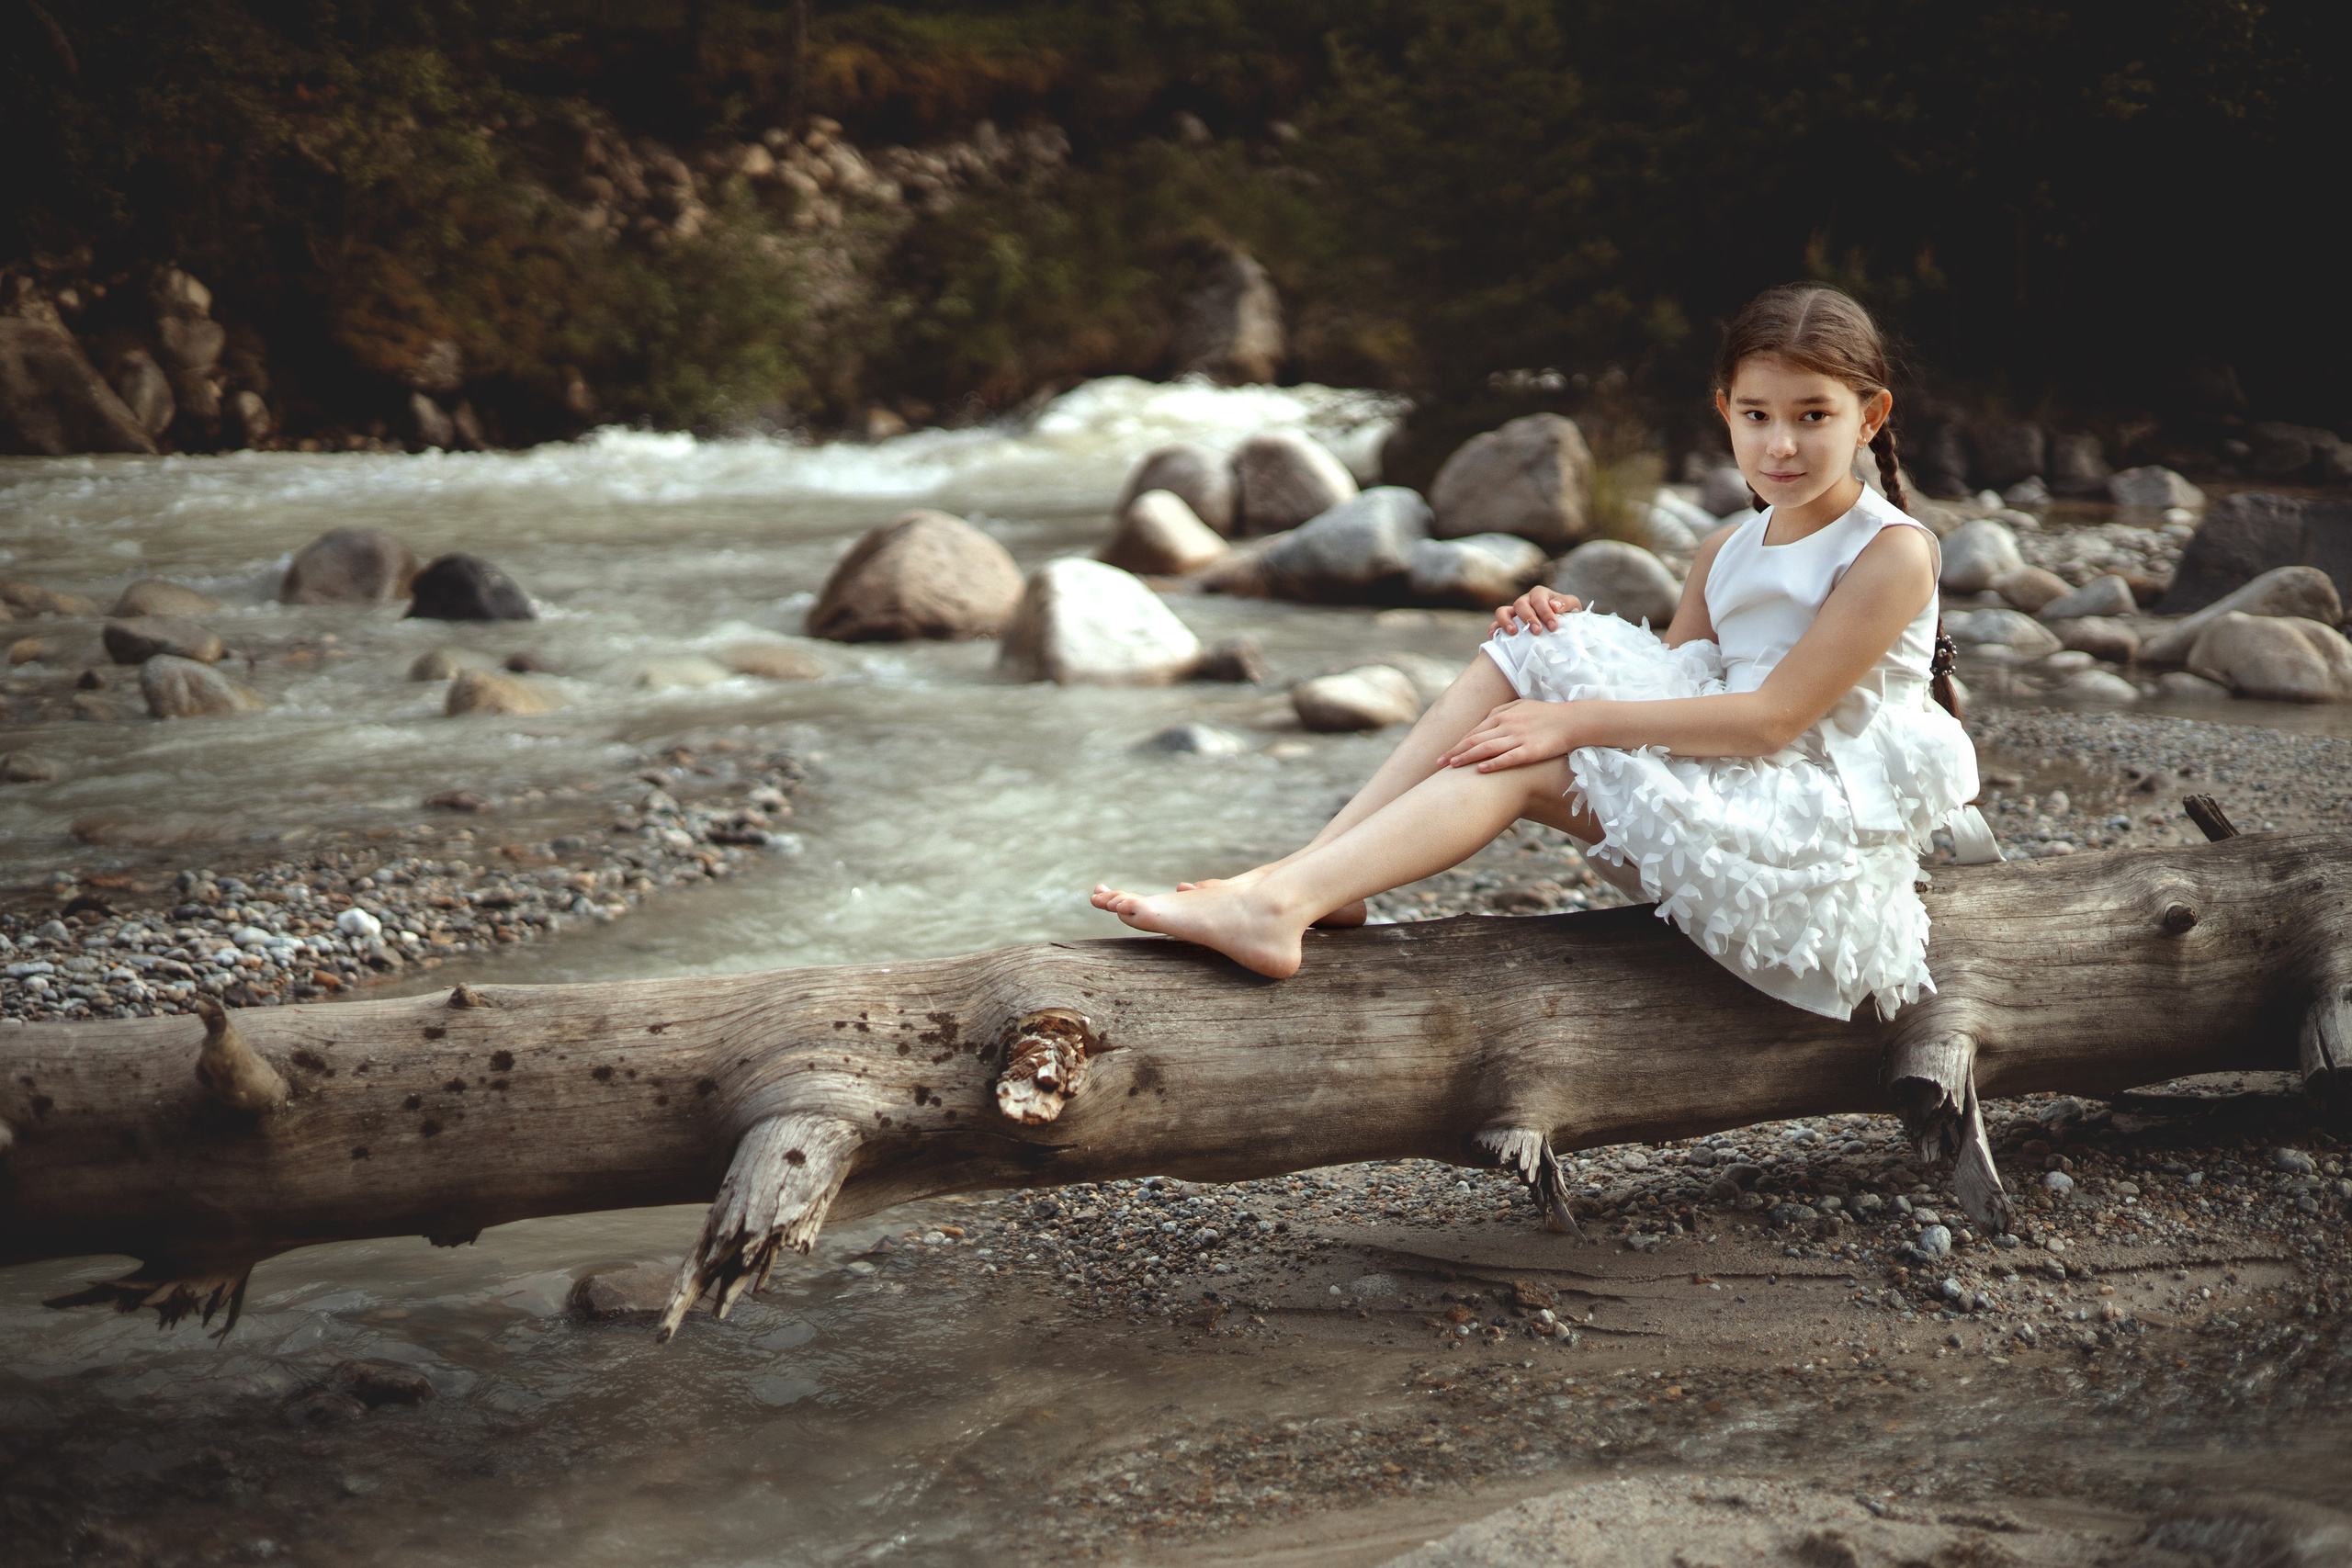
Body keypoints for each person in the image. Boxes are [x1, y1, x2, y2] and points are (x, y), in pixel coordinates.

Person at [1091, 283, 1999, 1021]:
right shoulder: (1725, 548)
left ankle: (1276, 901)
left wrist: (1567, 716)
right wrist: (1560, 636)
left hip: (1805, 840)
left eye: (1812, 416)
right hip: (1734, 789)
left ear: (1871, 415)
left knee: (1524, 759)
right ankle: (1309, 881)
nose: (1781, 443)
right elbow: (1677, 678)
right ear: (1723, 410)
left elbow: (1770, 721)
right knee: (1534, 641)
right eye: (1757, 414)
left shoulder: (1890, 551)